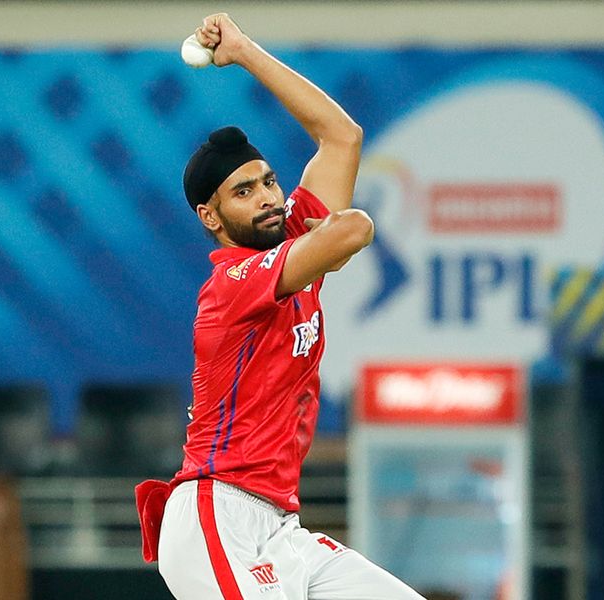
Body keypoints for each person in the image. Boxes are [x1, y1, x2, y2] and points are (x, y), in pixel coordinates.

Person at [135, 12, 425, 600]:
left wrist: (243, 51)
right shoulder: (234, 284)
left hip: (279, 527)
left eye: (269, 181)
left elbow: (342, 138)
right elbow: (352, 232)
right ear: (211, 219)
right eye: (244, 192)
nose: (268, 198)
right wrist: (344, 227)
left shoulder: (291, 241)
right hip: (216, 515)